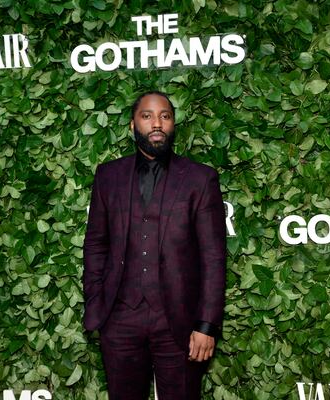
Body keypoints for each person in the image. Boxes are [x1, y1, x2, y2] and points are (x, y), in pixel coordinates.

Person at [83, 91, 226, 400]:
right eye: (147, 116)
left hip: (179, 322)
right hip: (120, 319)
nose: (157, 123)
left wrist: (206, 325)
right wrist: (97, 304)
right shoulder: (108, 176)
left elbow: (213, 257)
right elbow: (96, 245)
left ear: (173, 125)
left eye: (165, 116)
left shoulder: (200, 179)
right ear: (133, 126)